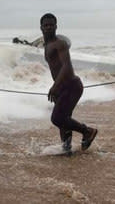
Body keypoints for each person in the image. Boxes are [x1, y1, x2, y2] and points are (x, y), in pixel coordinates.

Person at [40, 13, 98, 153]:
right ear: (41, 27)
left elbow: (66, 66)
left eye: (51, 25)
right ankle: (66, 149)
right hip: (62, 88)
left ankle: (88, 131)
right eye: (45, 25)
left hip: (71, 86)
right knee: (64, 121)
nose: (48, 28)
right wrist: (57, 88)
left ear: (56, 26)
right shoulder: (46, 44)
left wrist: (55, 86)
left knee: (57, 118)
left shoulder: (60, 44)